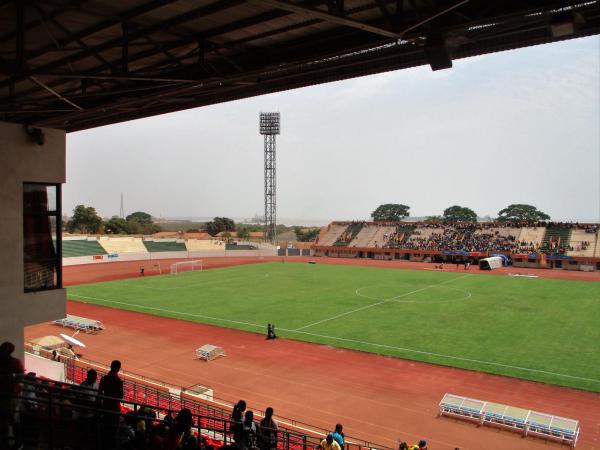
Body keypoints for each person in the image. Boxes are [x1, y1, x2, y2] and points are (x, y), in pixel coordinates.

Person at [0, 341, 24, 448]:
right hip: (11, 393)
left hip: (8, 394)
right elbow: (21, 375)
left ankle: (9, 442)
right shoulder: (15, 362)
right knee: (13, 419)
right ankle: (16, 443)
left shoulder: (13, 362)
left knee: (7, 419)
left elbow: (20, 375)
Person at [97, 360, 124, 436]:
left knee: (104, 428)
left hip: (105, 406)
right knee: (113, 430)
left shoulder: (104, 378)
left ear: (111, 367)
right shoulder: (119, 381)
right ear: (118, 369)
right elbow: (121, 396)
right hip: (115, 409)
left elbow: (99, 392)